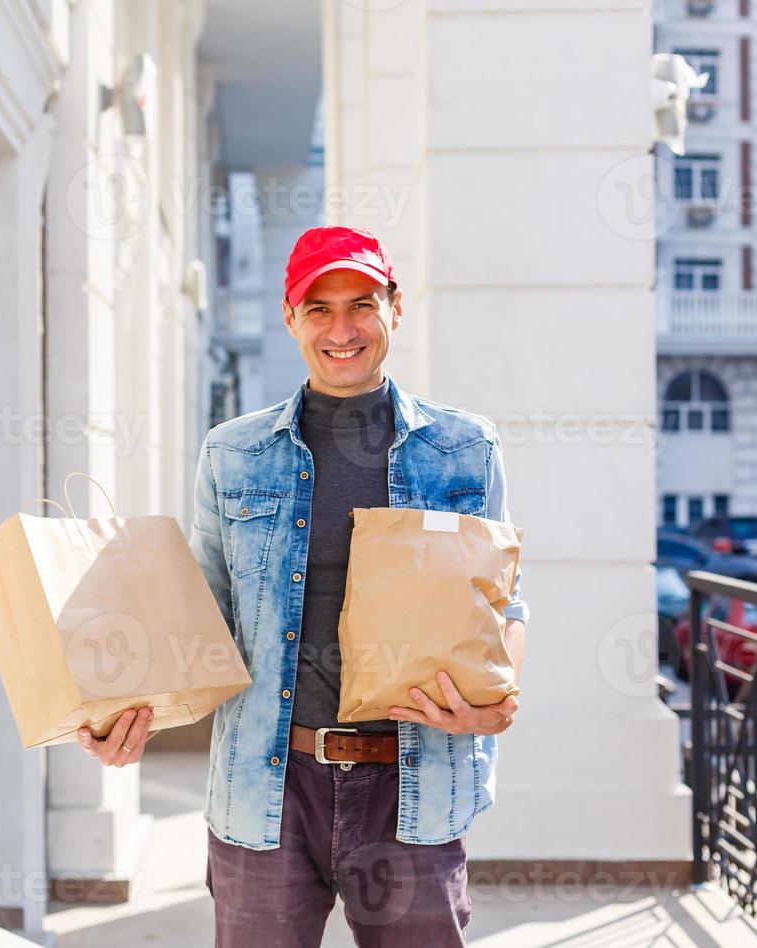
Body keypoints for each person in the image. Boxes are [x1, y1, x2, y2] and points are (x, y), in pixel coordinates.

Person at [75, 225, 529, 946]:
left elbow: (505, 603)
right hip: (268, 788)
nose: (342, 328)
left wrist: (498, 704)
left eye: (361, 304)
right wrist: (125, 713)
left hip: (414, 787)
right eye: (318, 308)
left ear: (394, 308)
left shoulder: (465, 447)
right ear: (290, 318)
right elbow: (203, 617)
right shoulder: (234, 452)